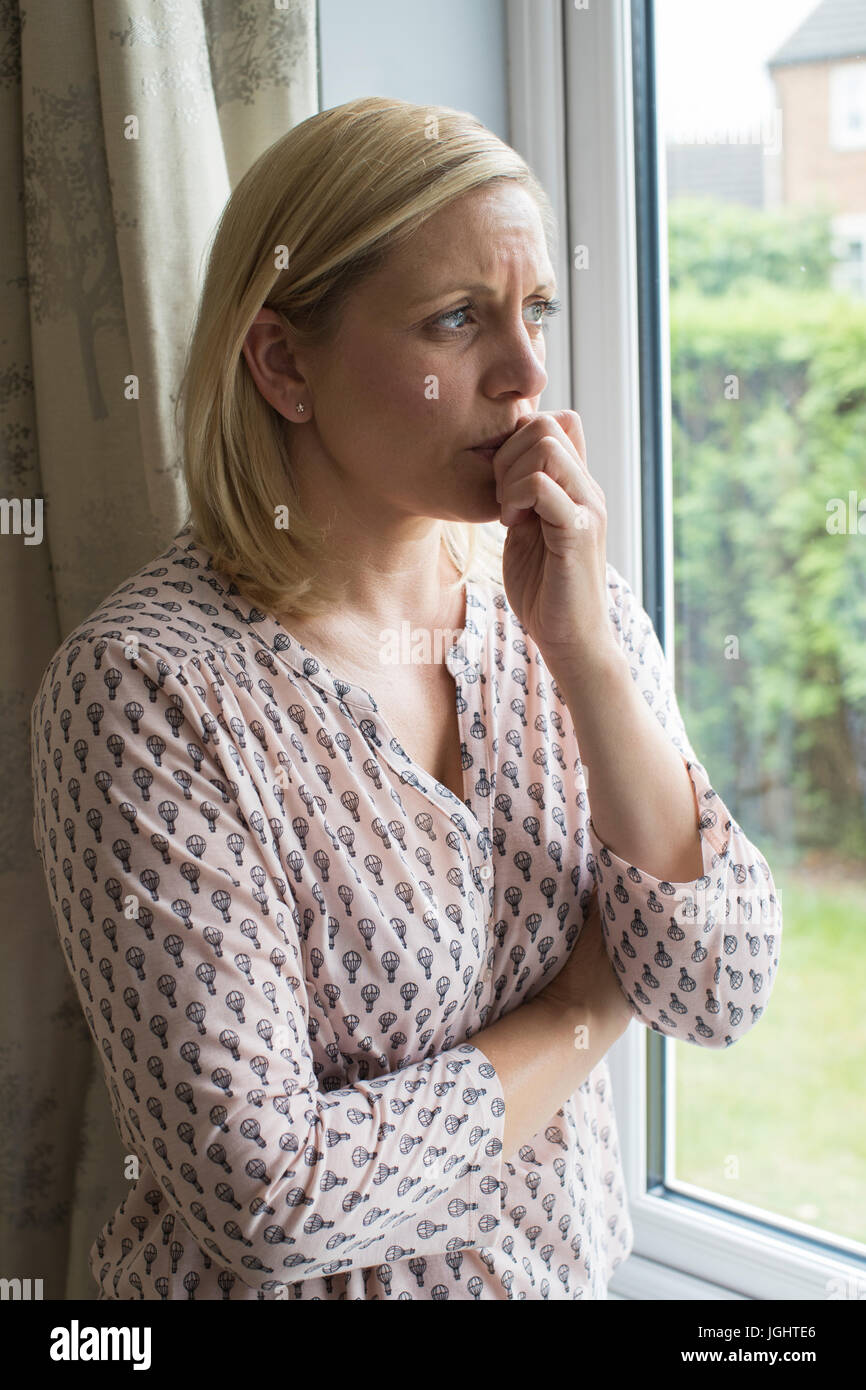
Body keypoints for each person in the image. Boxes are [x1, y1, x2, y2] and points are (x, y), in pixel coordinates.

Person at [29, 96, 782, 1301]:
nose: (526, 373)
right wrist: (583, 1009)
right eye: (455, 321)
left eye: (534, 310)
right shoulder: (148, 691)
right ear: (283, 365)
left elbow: (713, 983)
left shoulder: (562, 593)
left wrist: (583, 653)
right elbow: (266, 1203)